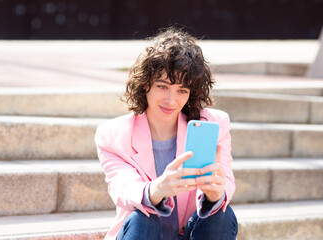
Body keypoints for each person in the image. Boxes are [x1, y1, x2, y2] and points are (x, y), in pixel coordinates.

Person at [95, 27, 238, 240]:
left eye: (182, 90)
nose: (171, 101)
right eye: (163, 87)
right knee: (144, 217)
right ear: (145, 85)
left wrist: (216, 193)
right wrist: (157, 189)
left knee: (221, 214)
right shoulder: (114, 135)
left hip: (193, 232)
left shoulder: (214, 123)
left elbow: (225, 177)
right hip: (145, 233)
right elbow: (123, 188)